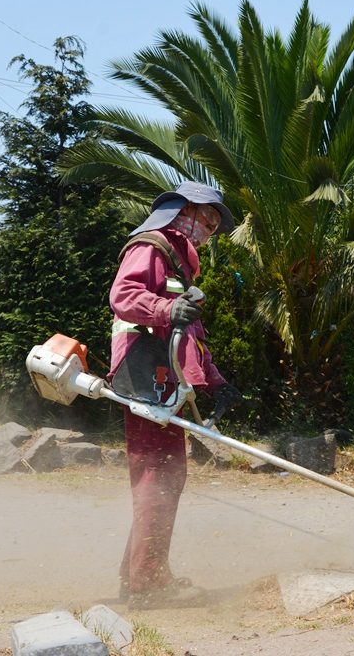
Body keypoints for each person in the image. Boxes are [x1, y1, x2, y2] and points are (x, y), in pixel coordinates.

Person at [108, 181, 242, 609]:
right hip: (145, 380)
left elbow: (190, 335)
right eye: (207, 219)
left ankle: (141, 575)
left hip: (167, 384)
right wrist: (167, 309)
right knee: (156, 479)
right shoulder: (151, 246)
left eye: (215, 226)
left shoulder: (181, 267)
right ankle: (146, 585)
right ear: (181, 211)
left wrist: (216, 382)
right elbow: (123, 297)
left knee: (168, 478)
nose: (209, 231)